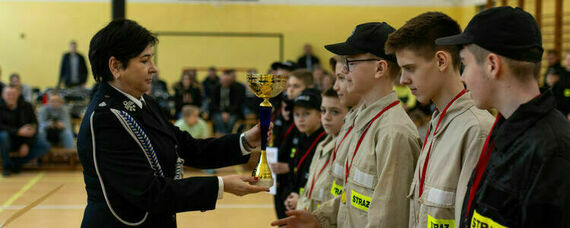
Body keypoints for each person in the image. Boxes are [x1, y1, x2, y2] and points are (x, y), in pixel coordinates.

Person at [77, 19, 269, 227]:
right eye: (145, 60)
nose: (154, 68)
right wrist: (220, 185)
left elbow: (188, 147)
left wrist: (246, 140)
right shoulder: (106, 118)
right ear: (115, 66)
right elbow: (147, 192)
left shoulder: (145, 103)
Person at [272, 22, 422, 227]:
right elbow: (351, 197)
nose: (344, 69)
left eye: (351, 62)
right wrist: (318, 219)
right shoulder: (362, 120)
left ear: (380, 68)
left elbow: (389, 217)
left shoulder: (393, 132)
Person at [436, 6, 570, 227]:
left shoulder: (552, 151)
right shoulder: (505, 131)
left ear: (492, 65)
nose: (463, 77)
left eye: (465, 65)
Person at [385, 11, 495, 227]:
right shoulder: (438, 122)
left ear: (441, 60)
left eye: (409, 68)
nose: (403, 80)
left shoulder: (476, 129)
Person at [271, 69, 315, 219]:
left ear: (309, 87)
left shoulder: (310, 120)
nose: (289, 90)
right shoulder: (285, 111)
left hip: (299, 182)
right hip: (281, 179)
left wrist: (289, 167)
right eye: (289, 85)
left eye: (296, 86)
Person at [294, 88, 348, 213]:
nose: (326, 117)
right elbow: (309, 189)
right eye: (323, 111)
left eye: (335, 112)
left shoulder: (346, 149)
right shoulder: (322, 145)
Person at [283, 88, 326, 212]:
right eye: (297, 115)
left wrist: (302, 200)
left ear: (319, 115)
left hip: (312, 206)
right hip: (296, 199)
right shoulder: (300, 137)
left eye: (306, 113)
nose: (300, 119)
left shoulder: (324, 141)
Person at [0, 86, 50, 177]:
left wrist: (27, 144)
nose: (11, 97)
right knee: (3, 136)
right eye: (8, 94)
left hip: (23, 140)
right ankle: (6, 166)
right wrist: (17, 131)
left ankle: (15, 163)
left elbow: (34, 125)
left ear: (18, 95)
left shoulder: (27, 106)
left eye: (14, 94)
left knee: (45, 146)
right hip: (6, 140)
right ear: (3, 96)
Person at [209, 69, 245, 135]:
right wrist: (222, 113)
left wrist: (228, 113)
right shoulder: (215, 89)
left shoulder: (236, 89)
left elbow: (237, 104)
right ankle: (225, 135)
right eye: (224, 81)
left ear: (230, 81)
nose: (225, 82)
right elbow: (213, 104)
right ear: (220, 81)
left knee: (231, 121)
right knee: (218, 119)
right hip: (218, 111)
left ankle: (226, 135)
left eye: (227, 81)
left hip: (232, 112)